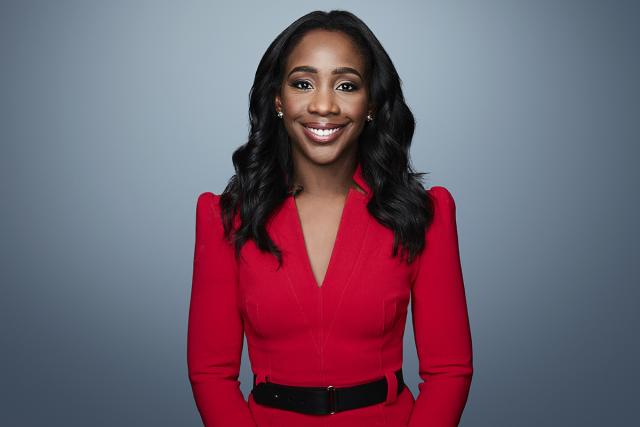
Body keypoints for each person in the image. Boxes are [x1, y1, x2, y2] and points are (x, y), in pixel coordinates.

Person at [187, 9, 473, 427]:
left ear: (371, 102)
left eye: (346, 85)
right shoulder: (225, 217)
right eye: (303, 83)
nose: (324, 104)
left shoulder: (425, 214)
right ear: (277, 100)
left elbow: (449, 371)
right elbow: (210, 373)